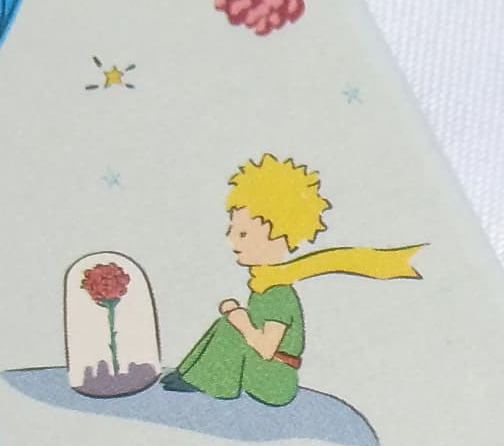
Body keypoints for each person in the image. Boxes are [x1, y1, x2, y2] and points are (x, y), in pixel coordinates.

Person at [163, 153, 419, 406]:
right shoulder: (264, 283)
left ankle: (206, 381)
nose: (231, 240)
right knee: (227, 323)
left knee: (232, 324)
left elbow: (266, 349)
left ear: (278, 235)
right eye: (232, 231)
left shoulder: (277, 293)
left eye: (242, 234)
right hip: (261, 369)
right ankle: (191, 375)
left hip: (273, 381)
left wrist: (239, 319)